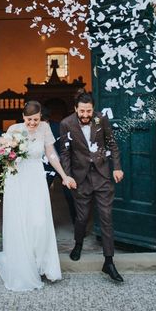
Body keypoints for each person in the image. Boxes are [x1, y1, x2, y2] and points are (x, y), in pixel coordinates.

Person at [0, 101, 77, 291]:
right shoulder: (14, 129)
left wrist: (64, 176)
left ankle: (42, 264)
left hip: (36, 179)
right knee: (21, 221)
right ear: (23, 117)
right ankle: (24, 265)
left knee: (39, 221)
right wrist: (7, 157)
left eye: (36, 119)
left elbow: (51, 155)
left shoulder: (45, 128)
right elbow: (5, 156)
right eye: (29, 119)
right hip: (17, 180)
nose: (33, 123)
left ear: (41, 117)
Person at [60, 91, 124, 283]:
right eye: (82, 111)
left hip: (102, 176)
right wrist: (67, 175)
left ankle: (109, 261)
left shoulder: (101, 119)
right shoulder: (66, 124)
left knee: (106, 217)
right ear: (75, 109)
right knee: (81, 217)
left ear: (93, 109)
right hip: (80, 178)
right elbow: (65, 152)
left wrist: (117, 168)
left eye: (89, 111)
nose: (86, 115)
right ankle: (78, 244)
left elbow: (112, 143)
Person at [41, 105, 76, 225]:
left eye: (43, 121)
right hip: (43, 167)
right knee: (40, 197)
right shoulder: (32, 128)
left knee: (71, 194)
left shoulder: (59, 127)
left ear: (47, 120)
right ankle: (42, 225)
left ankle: (77, 224)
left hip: (63, 165)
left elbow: (69, 145)